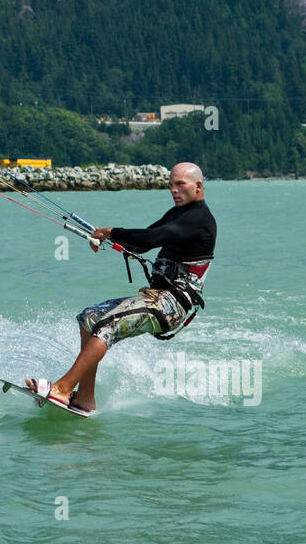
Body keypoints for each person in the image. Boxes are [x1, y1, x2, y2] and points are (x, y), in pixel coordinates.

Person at [27, 162, 216, 412]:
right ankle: (85, 398)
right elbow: (143, 245)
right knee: (88, 318)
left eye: (180, 184)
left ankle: (62, 389)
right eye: (171, 184)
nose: (173, 190)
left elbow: (150, 239)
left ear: (198, 186)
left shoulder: (199, 218)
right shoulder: (178, 213)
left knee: (107, 325)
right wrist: (104, 236)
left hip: (172, 303)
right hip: (155, 296)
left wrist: (111, 231)